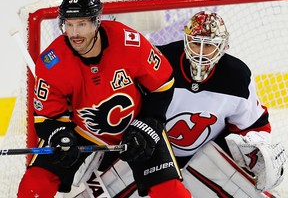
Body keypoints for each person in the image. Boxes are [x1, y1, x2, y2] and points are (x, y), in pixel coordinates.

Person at [79, 10, 287, 198]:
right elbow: (121, 102)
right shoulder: (159, 59)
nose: (201, 52)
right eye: (196, 43)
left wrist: (254, 149)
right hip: (151, 153)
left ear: (223, 47)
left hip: (207, 163)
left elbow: (255, 126)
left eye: (210, 46)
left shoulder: (237, 78)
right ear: (186, 39)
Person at [17, 0, 191, 198]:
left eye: (81, 24)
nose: (74, 33)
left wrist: (149, 123)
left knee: (172, 193)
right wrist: (60, 136)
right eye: (69, 24)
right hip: (81, 131)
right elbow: (47, 117)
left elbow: (163, 84)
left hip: (134, 127)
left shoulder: (129, 43)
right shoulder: (51, 62)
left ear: (96, 21)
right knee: (34, 186)